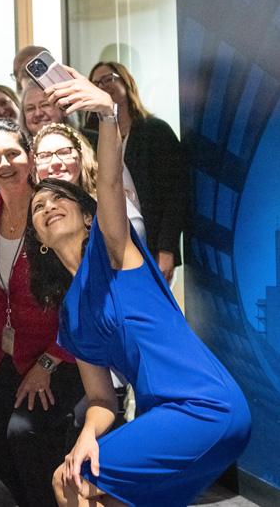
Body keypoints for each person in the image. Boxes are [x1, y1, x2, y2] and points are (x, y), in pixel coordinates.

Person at [27, 67, 250, 507]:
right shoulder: (70, 314)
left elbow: (108, 181)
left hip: (204, 407)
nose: (49, 206)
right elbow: (101, 398)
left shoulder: (114, 253)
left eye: (60, 200)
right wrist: (87, 435)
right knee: (101, 494)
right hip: (163, 417)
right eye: (38, 207)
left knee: (70, 483)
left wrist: (106, 113)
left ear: (89, 216)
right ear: (39, 240)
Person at [0, 118, 84, 507]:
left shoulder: (52, 209)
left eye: (13, 153)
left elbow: (82, 299)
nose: (4, 163)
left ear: (30, 157)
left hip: (62, 353)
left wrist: (50, 362)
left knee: (25, 437)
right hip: (5, 351)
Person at [87, 61, 186, 282]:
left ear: (127, 83)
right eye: (95, 83)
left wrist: (167, 250)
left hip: (151, 246)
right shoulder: (90, 141)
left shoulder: (155, 131)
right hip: (107, 250)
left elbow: (176, 195)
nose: (102, 86)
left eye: (108, 79)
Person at [33, 122, 145, 242]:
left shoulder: (108, 201)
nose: (55, 162)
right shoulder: (39, 215)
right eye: (45, 156)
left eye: (64, 152)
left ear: (80, 158)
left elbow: (136, 236)